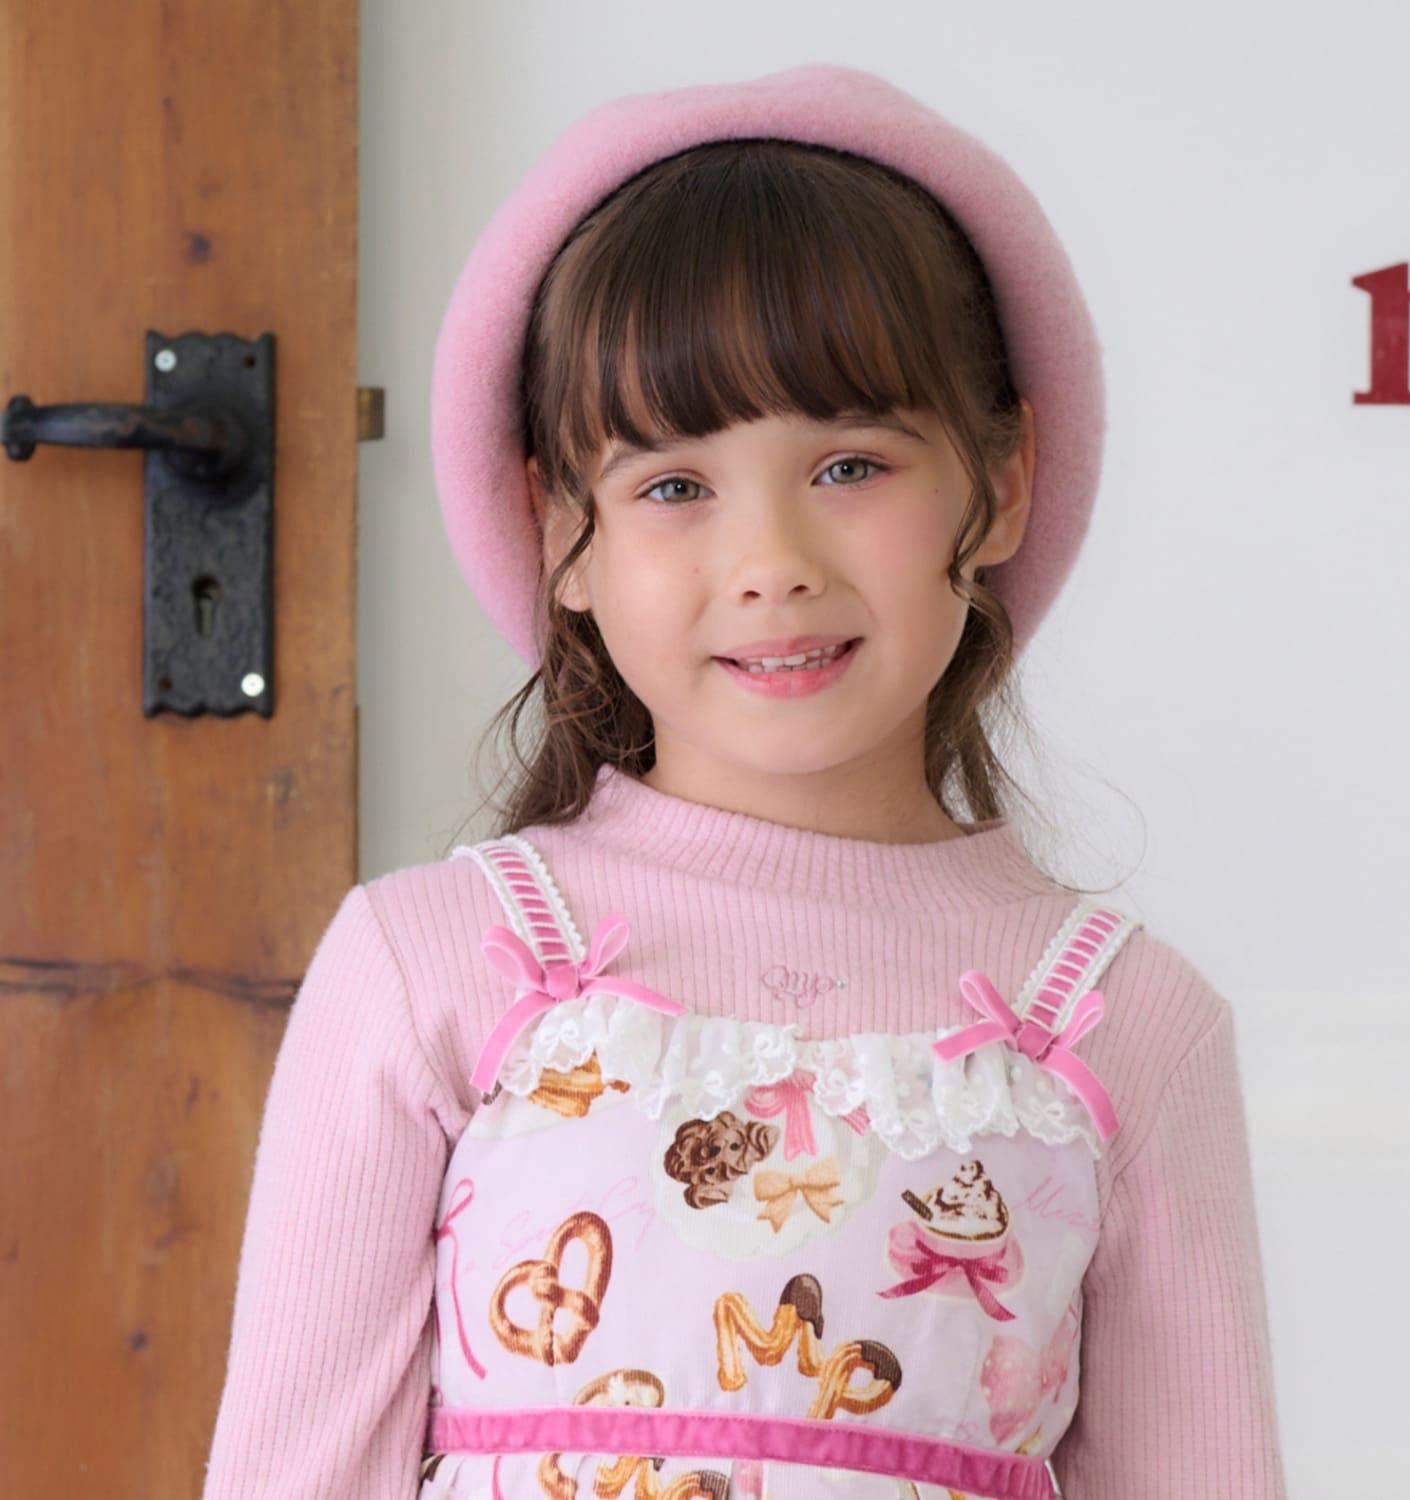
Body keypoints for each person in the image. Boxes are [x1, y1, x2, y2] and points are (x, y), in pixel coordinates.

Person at [201, 64, 1288, 1500]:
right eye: (673, 486)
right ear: (561, 531)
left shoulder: (1121, 1025)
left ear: (1003, 482)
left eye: (850, 466)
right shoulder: (428, 970)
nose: (771, 561)